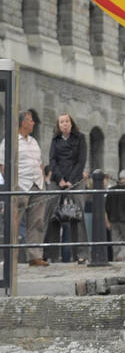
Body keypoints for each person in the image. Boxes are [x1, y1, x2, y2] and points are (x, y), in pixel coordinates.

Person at [0, 111, 48, 267]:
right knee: (14, 221)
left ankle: (34, 256)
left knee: (38, 221)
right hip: (20, 185)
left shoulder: (34, 141)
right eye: (30, 120)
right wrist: (12, 185)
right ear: (22, 123)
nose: (33, 123)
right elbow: (3, 166)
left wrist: (43, 182)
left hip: (37, 185)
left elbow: (39, 163)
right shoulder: (10, 141)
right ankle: (10, 256)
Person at [45, 113, 87, 264]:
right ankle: (51, 254)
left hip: (75, 180)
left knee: (78, 215)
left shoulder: (80, 138)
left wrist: (70, 180)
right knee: (52, 214)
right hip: (58, 180)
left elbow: (81, 160)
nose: (64, 124)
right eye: (61, 122)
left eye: (67, 121)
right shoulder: (55, 140)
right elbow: (52, 160)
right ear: (58, 125)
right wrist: (60, 179)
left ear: (71, 123)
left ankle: (81, 254)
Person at [105, 170, 125, 261]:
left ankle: (117, 260)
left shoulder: (111, 190)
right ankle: (122, 257)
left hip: (113, 220)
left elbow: (107, 206)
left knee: (116, 241)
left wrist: (109, 219)